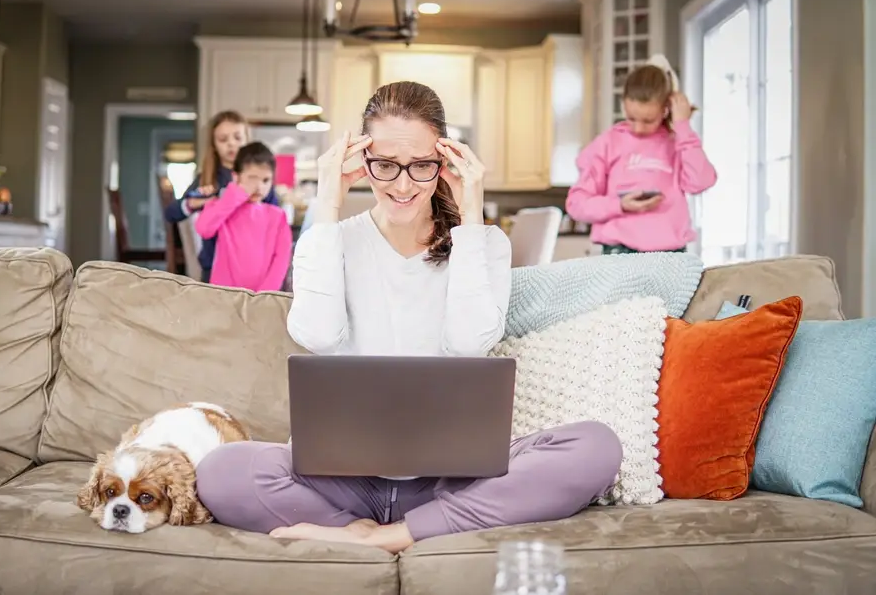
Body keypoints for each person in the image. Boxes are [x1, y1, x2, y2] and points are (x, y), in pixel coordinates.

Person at [194, 81, 623, 553]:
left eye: (421, 166)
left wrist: (471, 215)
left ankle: (391, 534)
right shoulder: (332, 238)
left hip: (450, 480)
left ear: (447, 161)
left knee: (596, 447)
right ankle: (383, 528)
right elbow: (316, 334)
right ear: (361, 160)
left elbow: (467, 344)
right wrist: (327, 204)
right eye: (385, 165)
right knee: (219, 471)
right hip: (342, 479)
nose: (402, 185)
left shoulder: (483, 243)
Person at [565, 55, 717, 254]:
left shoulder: (678, 142)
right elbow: (576, 205)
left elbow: (701, 182)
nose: (638, 128)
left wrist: (683, 126)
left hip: (670, 256)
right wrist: (619, 205)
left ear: (665, 110)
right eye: (631, 118)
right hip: (619, 253)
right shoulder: (608, 143)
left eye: (648, 120)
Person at [163, 110, 280, 282]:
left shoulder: (261, 179)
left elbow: (275, 215)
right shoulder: (207, 180)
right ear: (214, 145)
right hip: (214, 266)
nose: (231, 144)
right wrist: (198, 202)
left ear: (247, 140)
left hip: (253, 266)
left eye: (237, 138)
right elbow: (171, 213)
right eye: (223, 140)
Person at [194, 141, 292, 291]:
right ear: (236, 178)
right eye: (252, 178)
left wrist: (265, 294)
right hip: (224, 294)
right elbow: (204, 228)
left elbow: (281, 260)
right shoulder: (222, 207)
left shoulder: (278, 216)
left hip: (262, 297)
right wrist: (235, 193)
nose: (259, 187)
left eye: (266, 180)